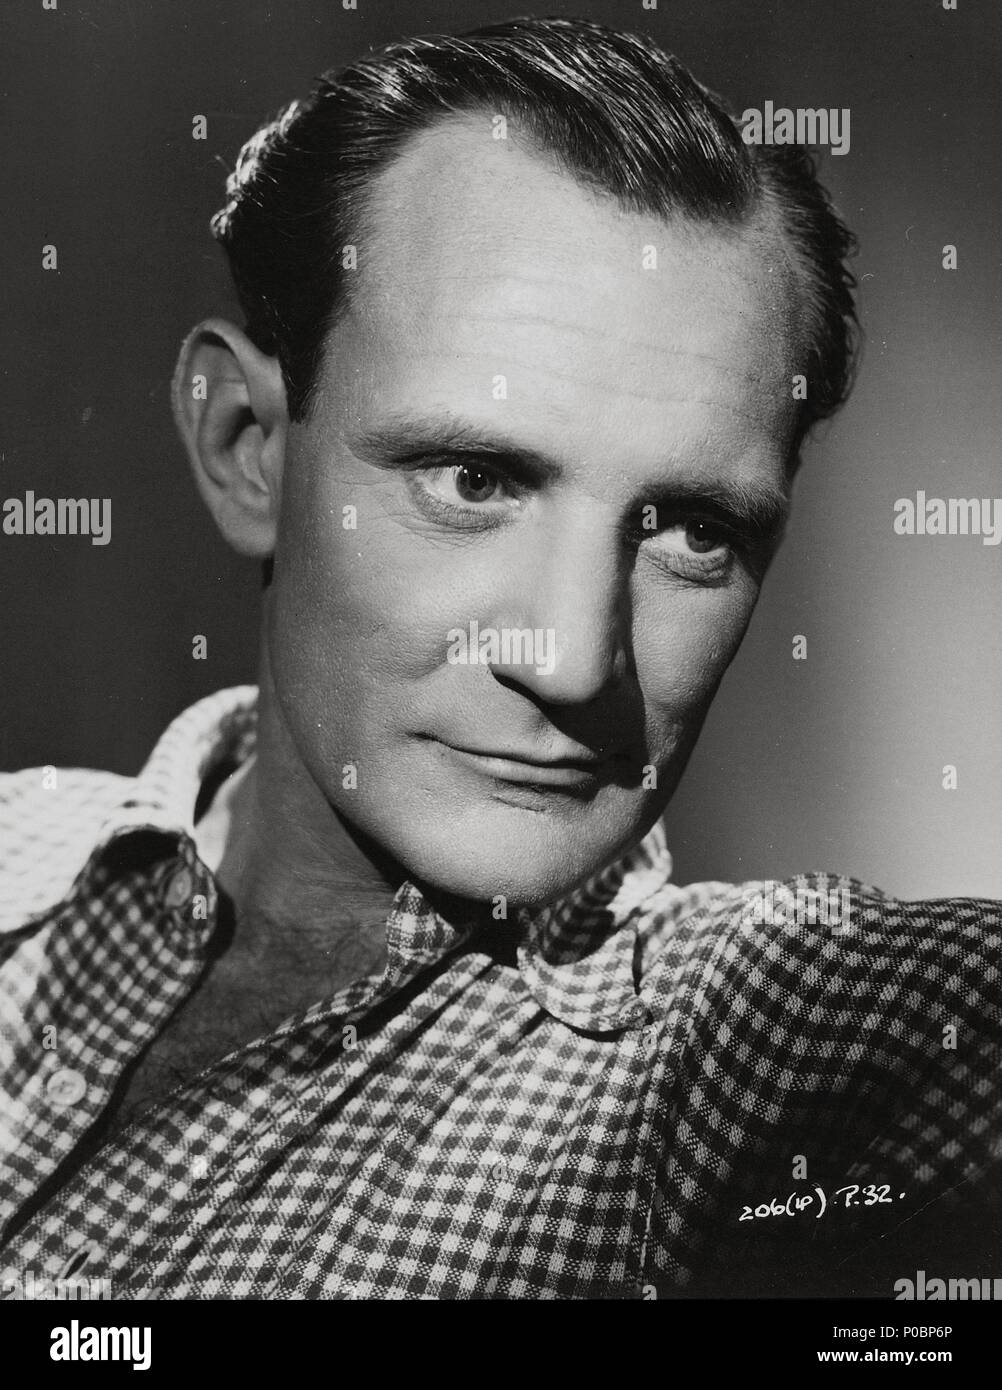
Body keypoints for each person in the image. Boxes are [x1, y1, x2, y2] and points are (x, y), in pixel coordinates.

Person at [1, 15, 999, 1300]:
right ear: (250, 447)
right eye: (475, 480)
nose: (574, 662)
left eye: (693, 530)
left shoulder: (769, 1042)